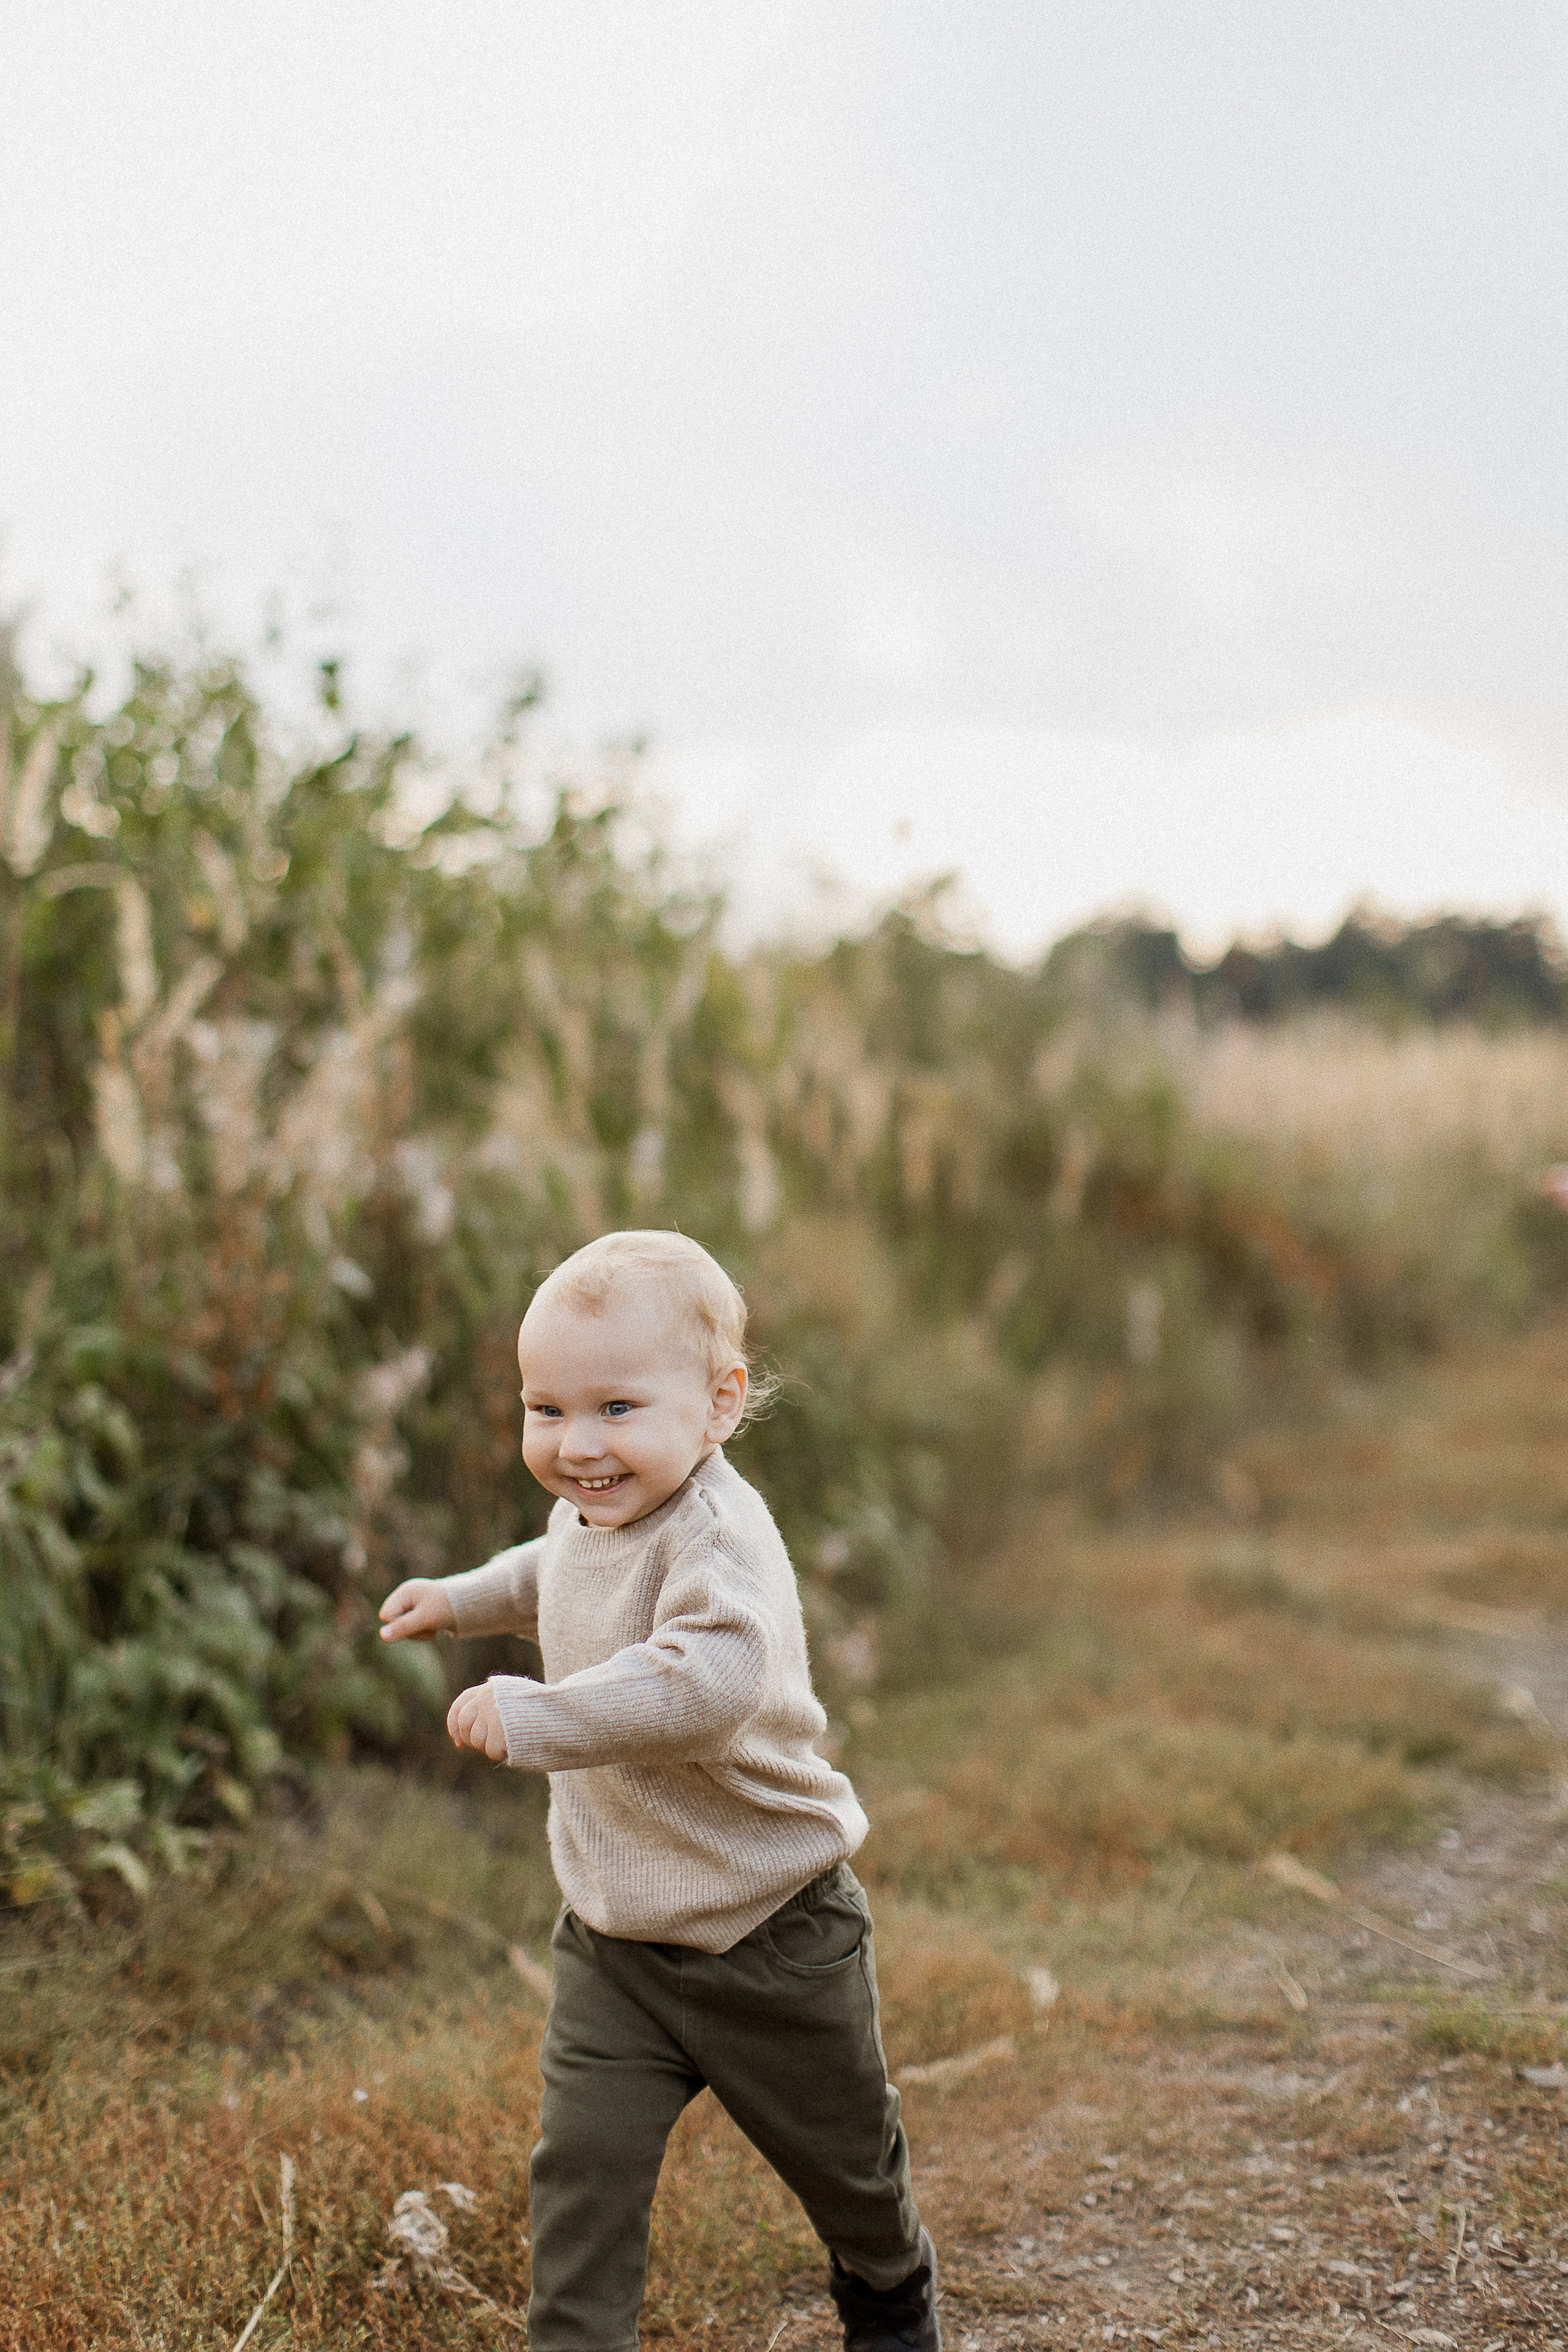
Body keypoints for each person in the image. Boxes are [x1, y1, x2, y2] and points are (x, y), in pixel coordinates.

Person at [379, 1229, 940, 2352]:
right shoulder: (599, 1506)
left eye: (617, 1409)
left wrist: (535, 1714)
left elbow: (703, 1688)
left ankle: (888, 2287)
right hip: (619, 1944)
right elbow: (557, 1568)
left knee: (847, 2169)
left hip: (773, 1933)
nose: (578, 1445)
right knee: (581, 2175)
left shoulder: (722, 1543)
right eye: (548, 1410)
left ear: (720, 1403)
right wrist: (461, 1596)